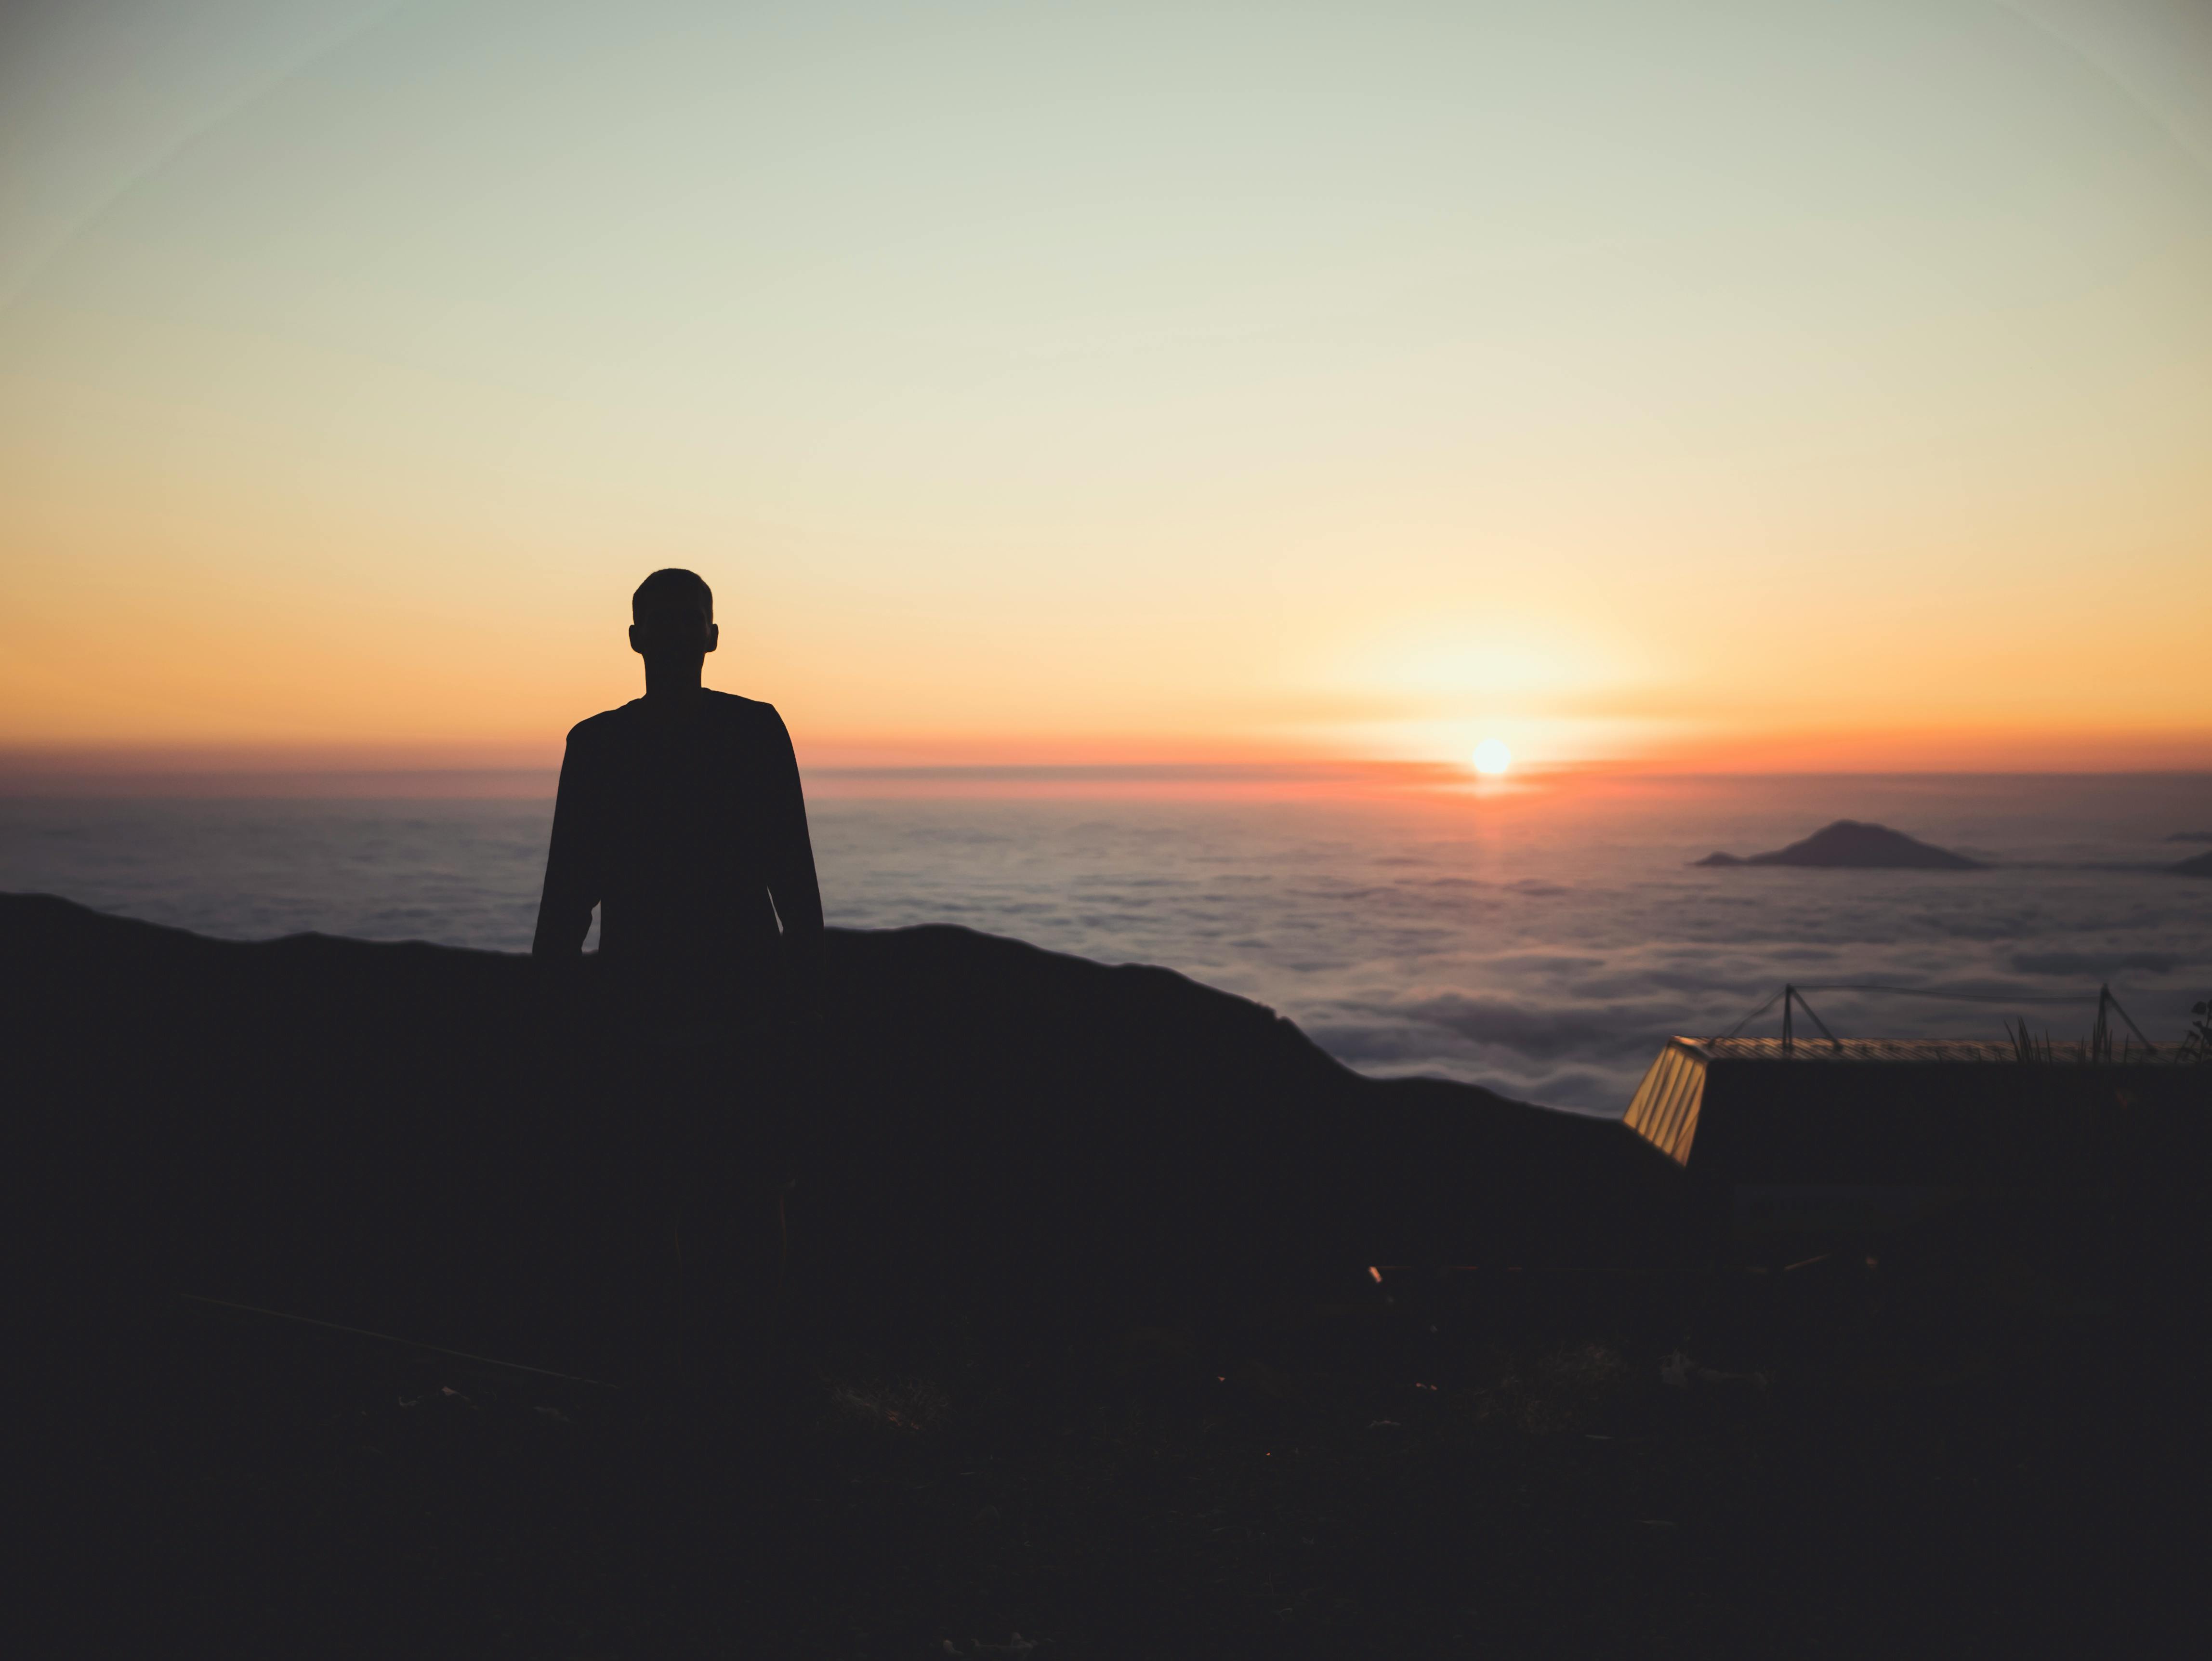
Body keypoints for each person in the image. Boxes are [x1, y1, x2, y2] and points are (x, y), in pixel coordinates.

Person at [532, 567, 825, 1380]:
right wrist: (809, 1014)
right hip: (709, 1022)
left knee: (660, 1209)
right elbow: (795, 888)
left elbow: (566, 903)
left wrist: (548, 1019)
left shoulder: (600, 746)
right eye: (668, 622)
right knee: (730, 1208)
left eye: (672, 621)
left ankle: (672, 1384)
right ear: (710, 637)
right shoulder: (752, 731)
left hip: (665, 1022)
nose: (668, 637)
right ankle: (730, 1382)